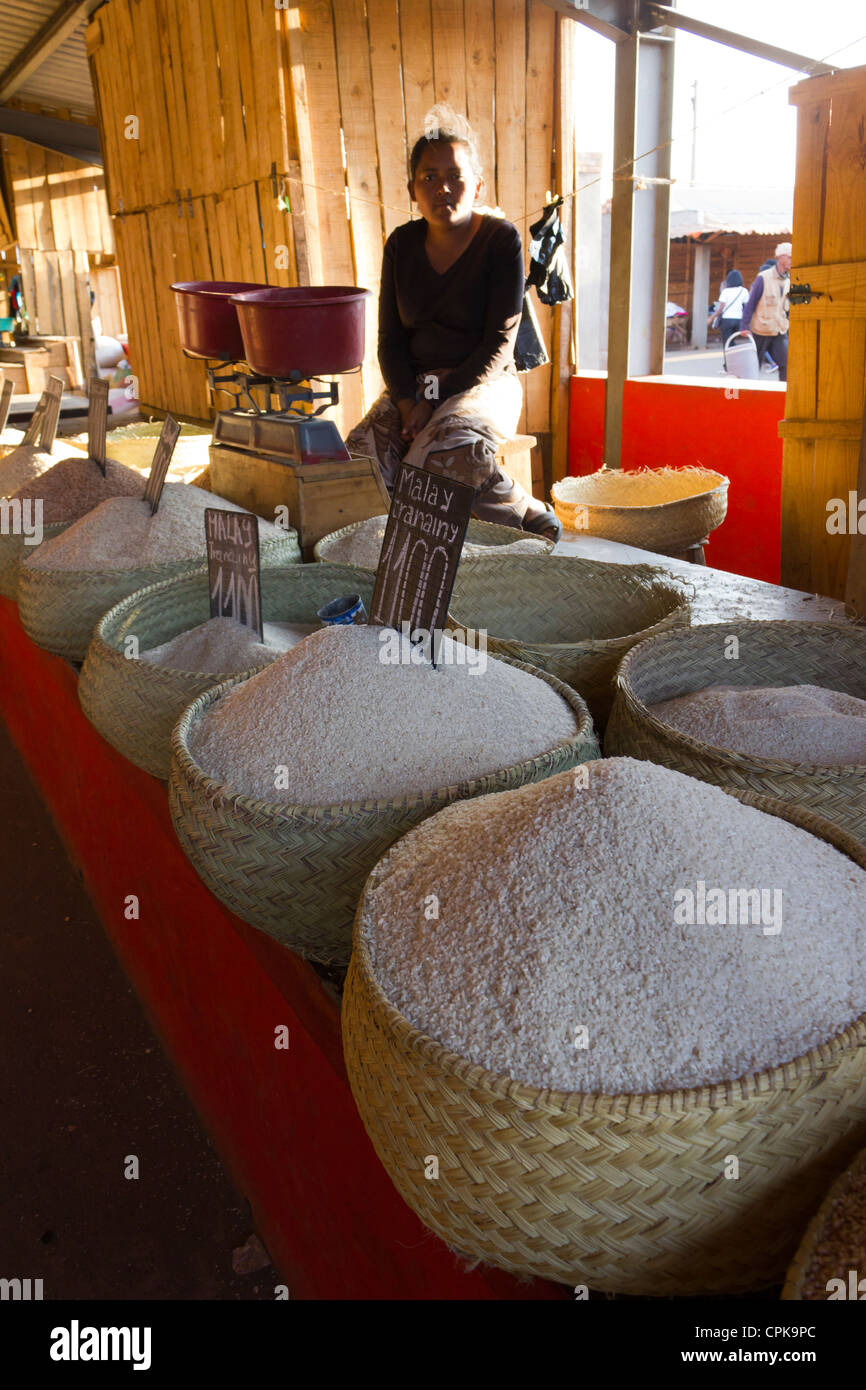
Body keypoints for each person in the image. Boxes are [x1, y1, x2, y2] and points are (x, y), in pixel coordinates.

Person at [345, 109, 560, 540]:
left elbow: (500, 344)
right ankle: (396, 559)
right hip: (415, 391)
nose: (442, 188)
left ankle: (522, 511)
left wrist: (434, 400)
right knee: (357, 465)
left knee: (434, 458)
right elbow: (389, 343)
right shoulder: (401, 245)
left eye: (455, 176)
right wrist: (409, 402)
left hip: (485, 386)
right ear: (412, 190)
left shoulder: (500, 241)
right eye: (429, 177)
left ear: (476, 186)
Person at [740, 242, 792, 381]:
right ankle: (750, 395)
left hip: (779, 330)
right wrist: (744, 327)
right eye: (790, 257)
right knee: (753, 367)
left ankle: (782, 395)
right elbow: (750, 304)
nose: (792, 261)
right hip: (761, 330)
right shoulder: (763, 278)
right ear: (781, 257)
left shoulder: (788, 281)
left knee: (786, 364)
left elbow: (787, 308)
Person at [709, 269, 747, 344]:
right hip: (739, 320)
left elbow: (720, 308)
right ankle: (735, 352)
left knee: (727, 342)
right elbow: (747, 307)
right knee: (732, 340)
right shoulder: (744, 291)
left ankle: (731, 354)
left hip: (727, 320)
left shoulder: (725, 291)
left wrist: (711, 318)